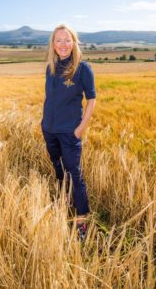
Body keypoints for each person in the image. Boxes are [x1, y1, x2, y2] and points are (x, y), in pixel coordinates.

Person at [41, 24, 96, 241]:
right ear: (53, 45)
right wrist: (45, 122)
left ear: (73, 43)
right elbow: (50, 99)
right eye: (58, 40)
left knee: (75, 173)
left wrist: (80, 129)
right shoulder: (51, 68)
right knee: (58, 167)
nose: (63, 44)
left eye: (67, 40)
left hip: (69, 133)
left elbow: (91, 100)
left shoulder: (83, 69)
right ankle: (66, 199)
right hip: (49, 130)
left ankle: (81, 219)